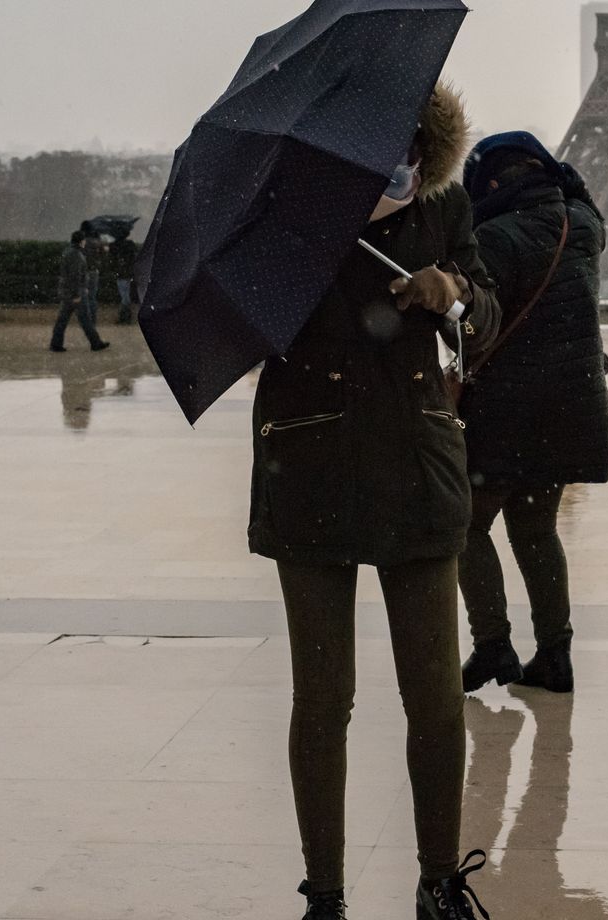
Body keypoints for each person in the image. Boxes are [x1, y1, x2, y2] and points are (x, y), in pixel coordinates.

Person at [247, 83, 500, 920]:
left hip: (414, 457)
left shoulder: (445, 205)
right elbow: (253, 322)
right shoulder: (289, 206)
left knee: (432, 694)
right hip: (311, 456)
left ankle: (438, 880)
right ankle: (324, 893)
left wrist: (451, 293)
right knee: (323, 698)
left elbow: (488, 313)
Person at [456, 131, 608, 695]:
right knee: (537, 531)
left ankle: (492, 644)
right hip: (571, 403)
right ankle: (555, 653)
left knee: (467, 526)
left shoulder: (494, 236)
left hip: (505, 407)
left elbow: (477, 329)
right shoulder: (584, 226)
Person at [49, 230, 109, 352]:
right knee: (85, 319)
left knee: (63, 319)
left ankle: (56, 343)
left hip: (69, 292)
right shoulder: (76, 255)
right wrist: (77, 293)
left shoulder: (69, 252)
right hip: (76, 293)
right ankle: (95, 343)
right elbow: (75, 276)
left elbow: (70, 276)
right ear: (81, 241)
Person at [108, 229, 139, 324]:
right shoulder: (130, 245)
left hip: (121, 274)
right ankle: (126, 317)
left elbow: (112, 253)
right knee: (126, 295)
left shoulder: (116, 245)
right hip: (128, 273)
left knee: (124, 296)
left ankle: (124, 317)